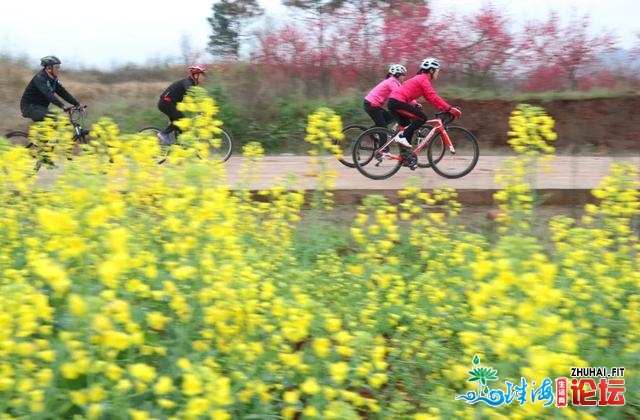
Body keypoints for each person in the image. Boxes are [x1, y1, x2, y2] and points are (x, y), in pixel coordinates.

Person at [387, 57, 461, 148]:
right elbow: (433, 96)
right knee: (422, 118)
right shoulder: (423, 80)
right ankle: (402, 137)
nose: (438, 73)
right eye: (437, 71)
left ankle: (406, 158)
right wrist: (449, 109)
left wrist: (444, 108)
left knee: (408, 126)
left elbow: (431, 99)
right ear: (431, 70)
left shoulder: (421, 79)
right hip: (397, 102)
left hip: (394, 102)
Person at [20, 56, 82, 122]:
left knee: (61, 120)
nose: (58, 70)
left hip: (41, 108)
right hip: (30, 107)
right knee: (54, 118)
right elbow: (48, 94)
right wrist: (62, 106)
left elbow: (63, 93)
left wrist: (77, 104)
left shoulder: (53, 79)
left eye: (59, 67)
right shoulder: (39, 78)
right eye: (56, 67)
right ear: (49, 68)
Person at [156, 64, 207, 144]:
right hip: (165, 103)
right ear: (196, 75)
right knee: (182, 120)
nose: (204, 78)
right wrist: (200, 109)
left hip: (170, 104)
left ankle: (177, 149)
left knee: (181, 128)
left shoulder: (191, 84)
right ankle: (163, 134)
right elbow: (192, 95)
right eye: (202, 75)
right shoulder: (187, 82)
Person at [363, 64, 407, 128]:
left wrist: (413, 103)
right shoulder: (391, 82)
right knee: (383, 128)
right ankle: (379, 134)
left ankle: (371, 131)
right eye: (403, 75)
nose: (404, 77)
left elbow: (403, 93)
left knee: (391, 116)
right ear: (397, 75)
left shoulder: (393, 82)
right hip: (372, 105)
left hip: (373, 104)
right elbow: (399, 94)